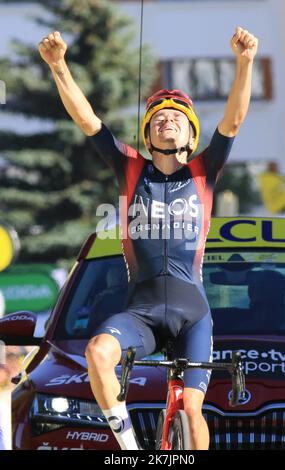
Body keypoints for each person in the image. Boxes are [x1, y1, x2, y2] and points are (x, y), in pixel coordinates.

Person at [38, 26, 258, 450]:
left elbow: (233, 119)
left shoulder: (204, 171)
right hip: (140, 313)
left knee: (192, 410)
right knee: (98, 352)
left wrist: (245, 63)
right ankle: (131, 450)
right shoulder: (130, 168)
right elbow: (88, 120)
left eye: (177, 116)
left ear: (190, 136)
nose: (166, 119)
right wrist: (58, 65)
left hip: (192, 314)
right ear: (148, 136)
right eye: (157, 117)